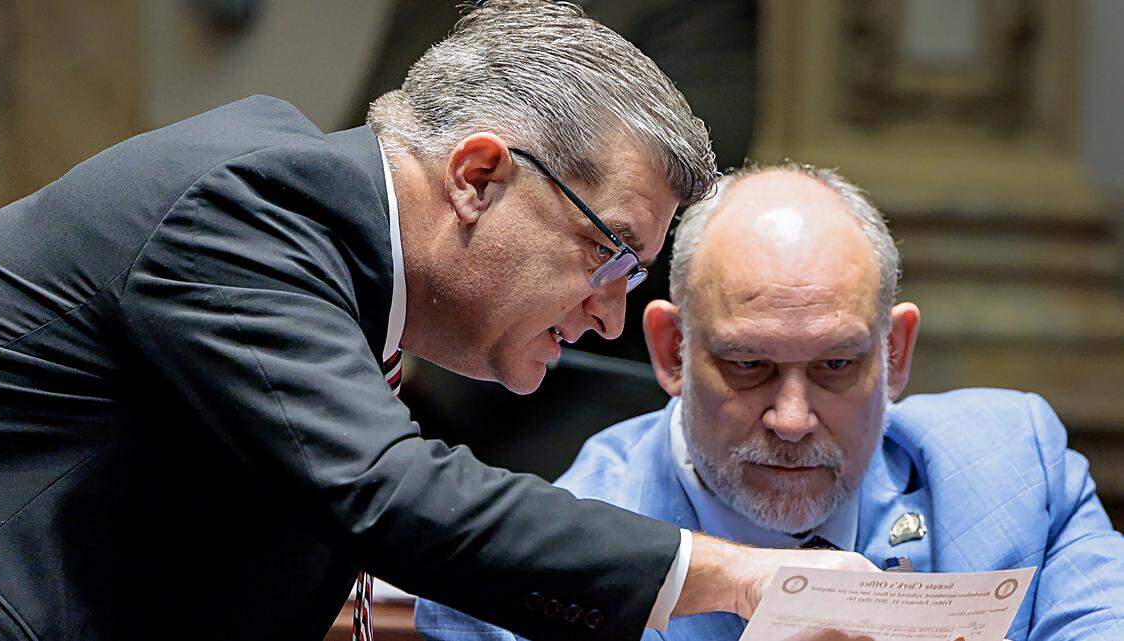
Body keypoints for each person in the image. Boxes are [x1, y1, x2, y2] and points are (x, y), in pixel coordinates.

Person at [0, 3, 877, 641]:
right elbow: (389, 492)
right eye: (610, 256)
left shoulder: (341, 259)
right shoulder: (243, 208)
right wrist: (744, 574)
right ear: (479, 175)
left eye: (634, 279)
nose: (612, 317)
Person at [416, 164, 1124, 641]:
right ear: (671, 351)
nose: (791, 418)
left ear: (895, 354)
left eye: (838, 364)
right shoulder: (522, 587)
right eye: (749, 364)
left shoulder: (1016, 469)